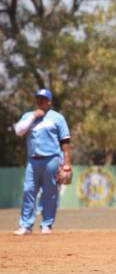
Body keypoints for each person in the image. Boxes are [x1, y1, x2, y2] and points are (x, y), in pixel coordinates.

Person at [12, 88, 72, 235]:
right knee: (28, 191)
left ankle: (47, 225)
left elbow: (65, 141)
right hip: (33, 161)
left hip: (52, 159)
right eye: (38, 98)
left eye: (44, 99)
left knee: (50, 193)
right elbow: (19, 131)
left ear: (49, 101)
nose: (40, 101)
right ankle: (26, 226)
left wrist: (67, 163)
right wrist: (33, 116)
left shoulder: (57, 118)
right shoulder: (28, 116)